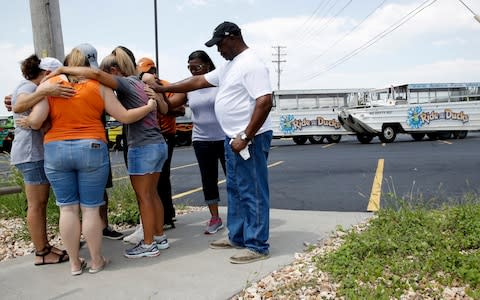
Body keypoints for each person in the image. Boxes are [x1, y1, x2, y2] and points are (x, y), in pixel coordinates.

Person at [146, 21, 273, 264]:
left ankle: (257, 245)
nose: (218, 50)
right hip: (232, 137)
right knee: (235, 189)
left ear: (233, 37)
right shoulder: (230, 66)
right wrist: (164, 88)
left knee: (253, 191)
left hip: (249, 139)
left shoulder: (252, 64)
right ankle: (237, 236)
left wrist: (246, 136)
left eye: (220, 44)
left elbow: (264, 101)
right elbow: (197, 82)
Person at [22, 47, 158, 274]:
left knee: (67, 209)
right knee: (91, 210)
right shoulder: (99, 86)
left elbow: (36, 121)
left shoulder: (52, 84)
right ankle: (96, 261)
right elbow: (124, 116)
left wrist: (25, 118)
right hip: (91, 146)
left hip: (56, 148)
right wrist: (149, 107)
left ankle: (75, 264)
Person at [150, 50, 226, 234]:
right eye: (189, 68)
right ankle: (215, 218)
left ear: (208, 65)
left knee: (234, 178)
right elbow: (168, 108)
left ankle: (241, 215)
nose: (193, 71)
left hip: (225, 138)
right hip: (202, 140)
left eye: (197, 67)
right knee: (208, 180)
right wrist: (157, 92)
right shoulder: (190, 87)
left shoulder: (220, 82)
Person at [9, 55, 74, 266]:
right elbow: (19, 107)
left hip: (33, 152)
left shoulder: (28, 86)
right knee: (36, 204)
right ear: (47, 74)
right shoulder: (29, 87)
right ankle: (42, 252)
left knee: (40, 203)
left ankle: (45, 247)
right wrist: (45, 91)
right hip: (31, 153)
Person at [122, 57, 186, 244]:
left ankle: (150, 238)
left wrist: (154, 103)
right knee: (154, 190)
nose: (142, 75)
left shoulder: (161, 85)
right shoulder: (142, 85)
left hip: (158, 136)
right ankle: (159, 231)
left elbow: (174, 109)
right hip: (156, 139)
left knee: (150, 191)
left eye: (144, 72)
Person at [75, 43, 124, 240]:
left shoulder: (98, 83)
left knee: (101, 188)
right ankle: (81, 232)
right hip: (83, 142)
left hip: (94, 141)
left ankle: (102, 226)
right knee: (75, 195)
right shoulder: (63, 81)